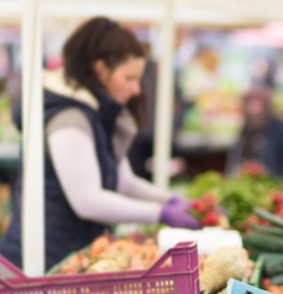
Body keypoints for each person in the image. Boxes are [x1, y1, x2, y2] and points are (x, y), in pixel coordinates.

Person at [0, 17, 201, 270]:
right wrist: (160, 213)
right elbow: (88, 201)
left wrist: (170, 200)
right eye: (129, 78)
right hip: (39, 265)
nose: (137, 89)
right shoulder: (69, 118)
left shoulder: (93, 112)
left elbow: (123, 180)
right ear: (101, 69)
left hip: (70, 257)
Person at [226, 86, 283, 178]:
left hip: (273, 178)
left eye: (257, 103)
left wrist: (280, 178)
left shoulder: (278, 127)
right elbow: (237, 156)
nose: (254, 108)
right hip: (250, 179)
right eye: (251, 103)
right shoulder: (247, 126)